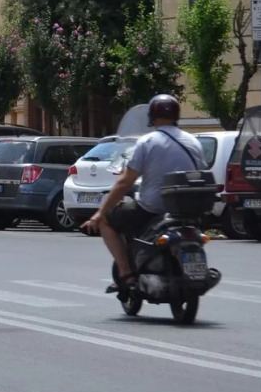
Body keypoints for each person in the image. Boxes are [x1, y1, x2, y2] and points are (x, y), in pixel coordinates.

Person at [81, 94, 207, 295]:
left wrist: (98, 213)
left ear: (152, 116)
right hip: (188, 210)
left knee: (107, 221)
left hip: (153, 209)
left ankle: (126, 273)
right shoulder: (193, 141)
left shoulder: (147, 142)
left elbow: (125, 182)